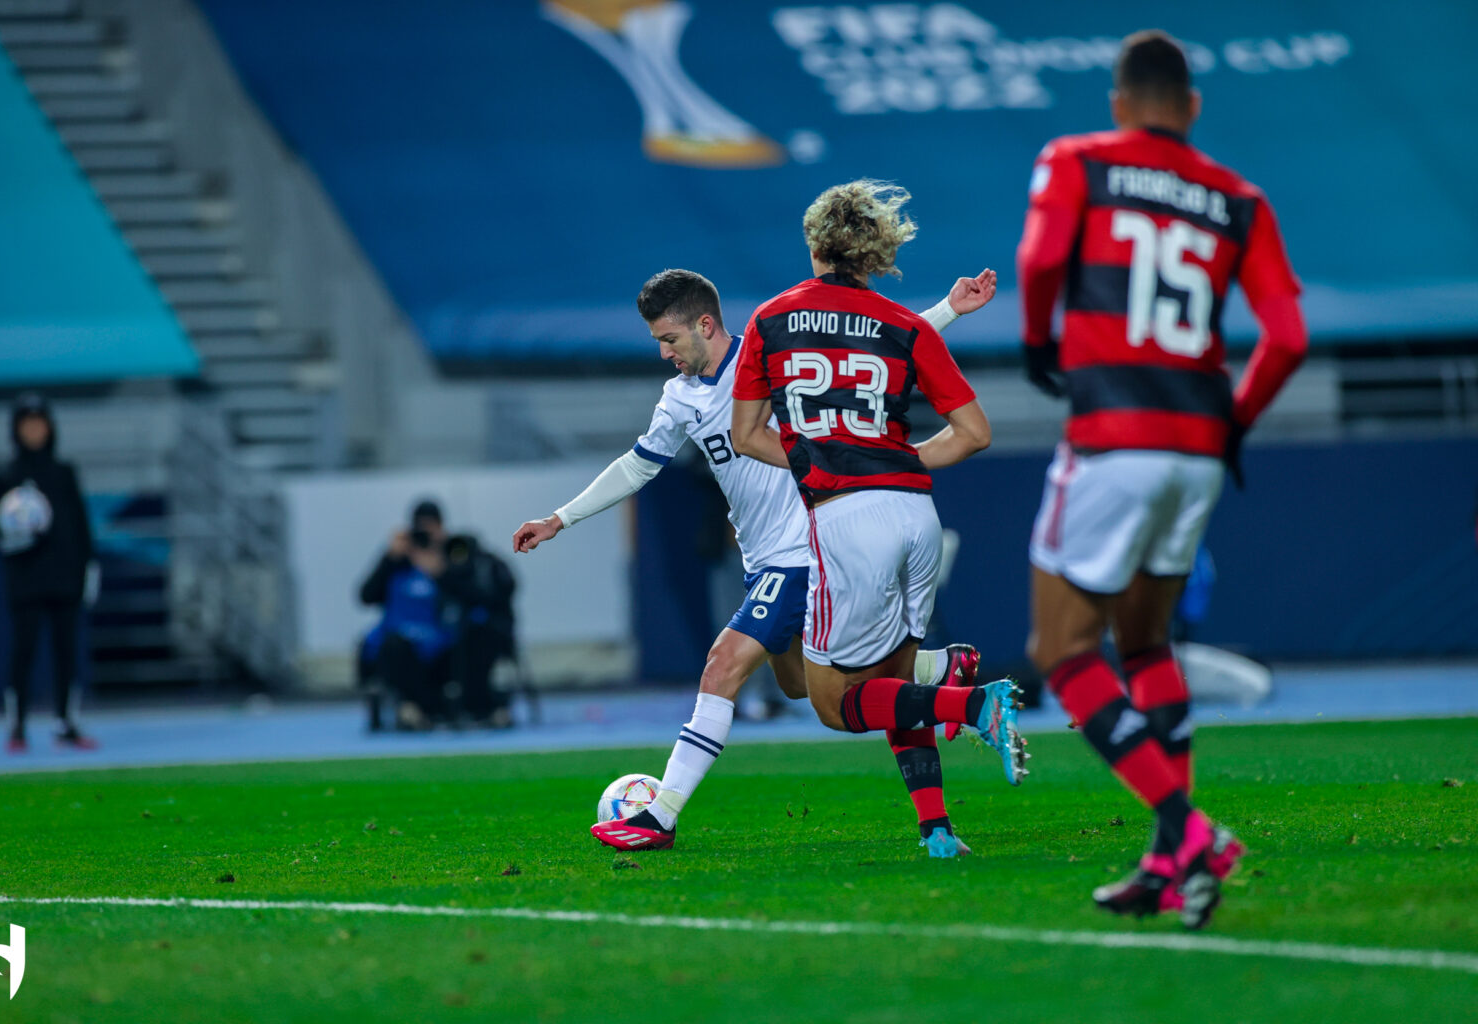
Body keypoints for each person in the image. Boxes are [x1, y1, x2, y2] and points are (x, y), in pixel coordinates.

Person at [514, 267, 1023, 856]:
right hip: (765, 558)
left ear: (706, 324)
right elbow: (636, 465)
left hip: (804, 548)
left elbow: (865, 344)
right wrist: (560, 518)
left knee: (721, 666)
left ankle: (661, 814)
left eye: (670, 339)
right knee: (799, 685)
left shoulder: (769, 352)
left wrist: (947, 312)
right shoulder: (679, 397)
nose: (664, 353)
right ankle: (937, 670)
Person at [1015, 29, 1307, 928]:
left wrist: (1037, 344)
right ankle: (1162, 865)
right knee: (1145, 646)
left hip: (1113, 438)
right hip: (1196, 448)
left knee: (1061, 653)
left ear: (1117, 103)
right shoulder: (1238, 198)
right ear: (1192, 108)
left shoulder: (1080, 159)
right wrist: (1234, 424)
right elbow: (1287, 337)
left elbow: (1037, 262)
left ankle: (1187, 833)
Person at [730, 181, 1027, 844]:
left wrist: (823, 462)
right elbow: (975, 433)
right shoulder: (906, 325)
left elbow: (748, 434)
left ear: (814, 243)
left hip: (845, 520)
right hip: (914, 512)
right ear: (877, 252)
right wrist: (895, 461)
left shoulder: (771, 319)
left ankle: (975, 702)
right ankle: (937, 830)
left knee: (834, 704)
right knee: (894, 680)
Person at [0, 392, 98, 752]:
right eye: (27, 424)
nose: (34, 430)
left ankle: (67, 723)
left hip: (64, 578)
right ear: (16, 430)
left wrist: (88, 569)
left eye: (40, 422)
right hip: (27, 579)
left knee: (66, 652)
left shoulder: (64, 473)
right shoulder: (7, 475)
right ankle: (17, 727)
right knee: (24, 651)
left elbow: (81, 525)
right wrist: (15, 537)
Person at [359, 501, 459, 729]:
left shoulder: (450, 555)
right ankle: (415, 707)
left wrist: (440, 570)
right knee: (390, 647)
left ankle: (421, 708)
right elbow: (366, 596)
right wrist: (389, 557)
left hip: (439, 644)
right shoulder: (396, 562)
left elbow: (466, 595)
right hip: (401, 646)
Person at [440, 532, 518, 727]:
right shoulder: (449, 572)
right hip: (459, 638)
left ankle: (488, 708)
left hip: (494, 635)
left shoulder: (490, 566)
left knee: (480, 646)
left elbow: (503, 591)